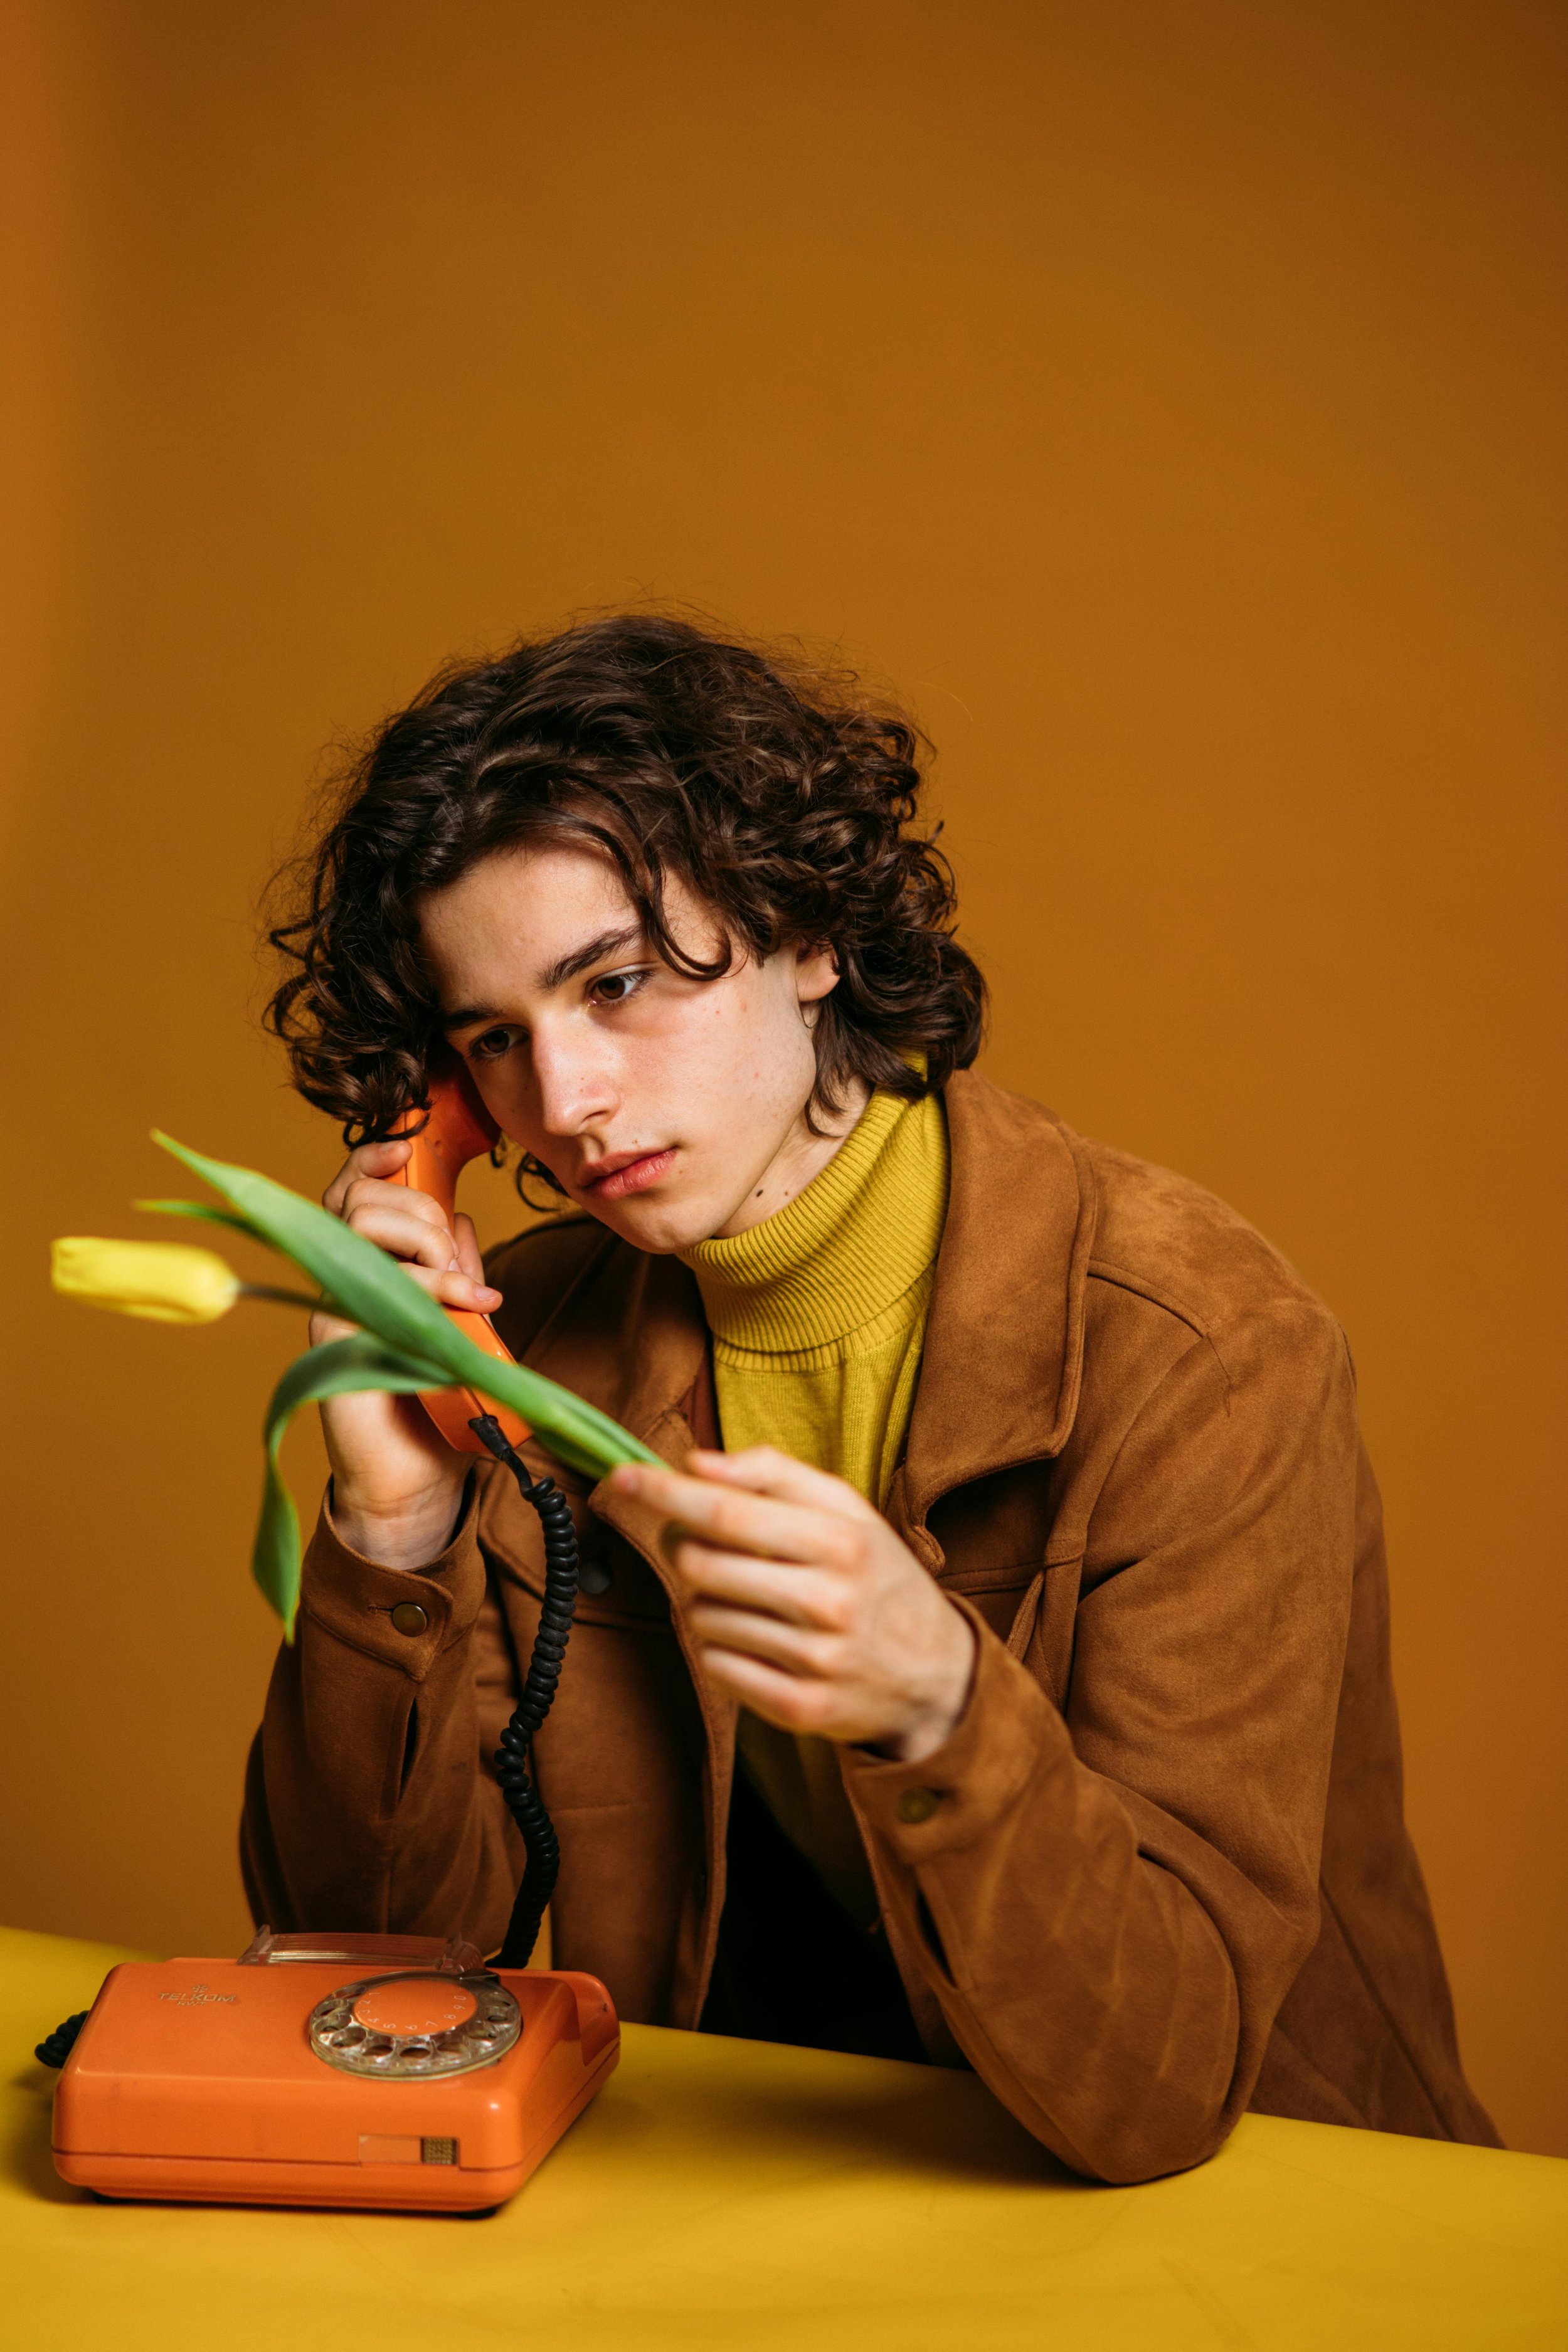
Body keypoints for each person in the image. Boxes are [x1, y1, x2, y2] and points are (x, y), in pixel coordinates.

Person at [247, 613, 1497, 2184]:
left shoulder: (1205, 1354)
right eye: (496, 1039)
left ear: (808, 932)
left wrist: (939, 1709)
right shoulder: (528, 1347)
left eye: (616, 983)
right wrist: (398, 1520)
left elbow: (1158, 2089)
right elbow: (364, 1973)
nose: (564, 1102)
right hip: (742, 2196)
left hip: (1242, 2222)